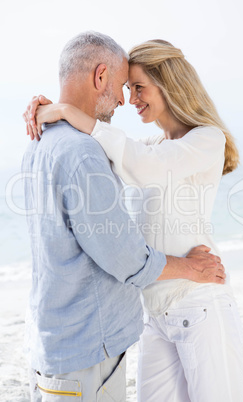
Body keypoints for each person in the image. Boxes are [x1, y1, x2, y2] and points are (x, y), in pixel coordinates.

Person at [22, 32, 225, 402]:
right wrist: (190, 267)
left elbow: (137, 161)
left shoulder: (42, 141)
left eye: (136, 88)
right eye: (122, 86)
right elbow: (125, 256)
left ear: (168, 86)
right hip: (94, 342)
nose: (125, 99)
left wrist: (61, 111)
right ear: (100, 77)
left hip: (68, 339)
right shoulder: (85, 152)